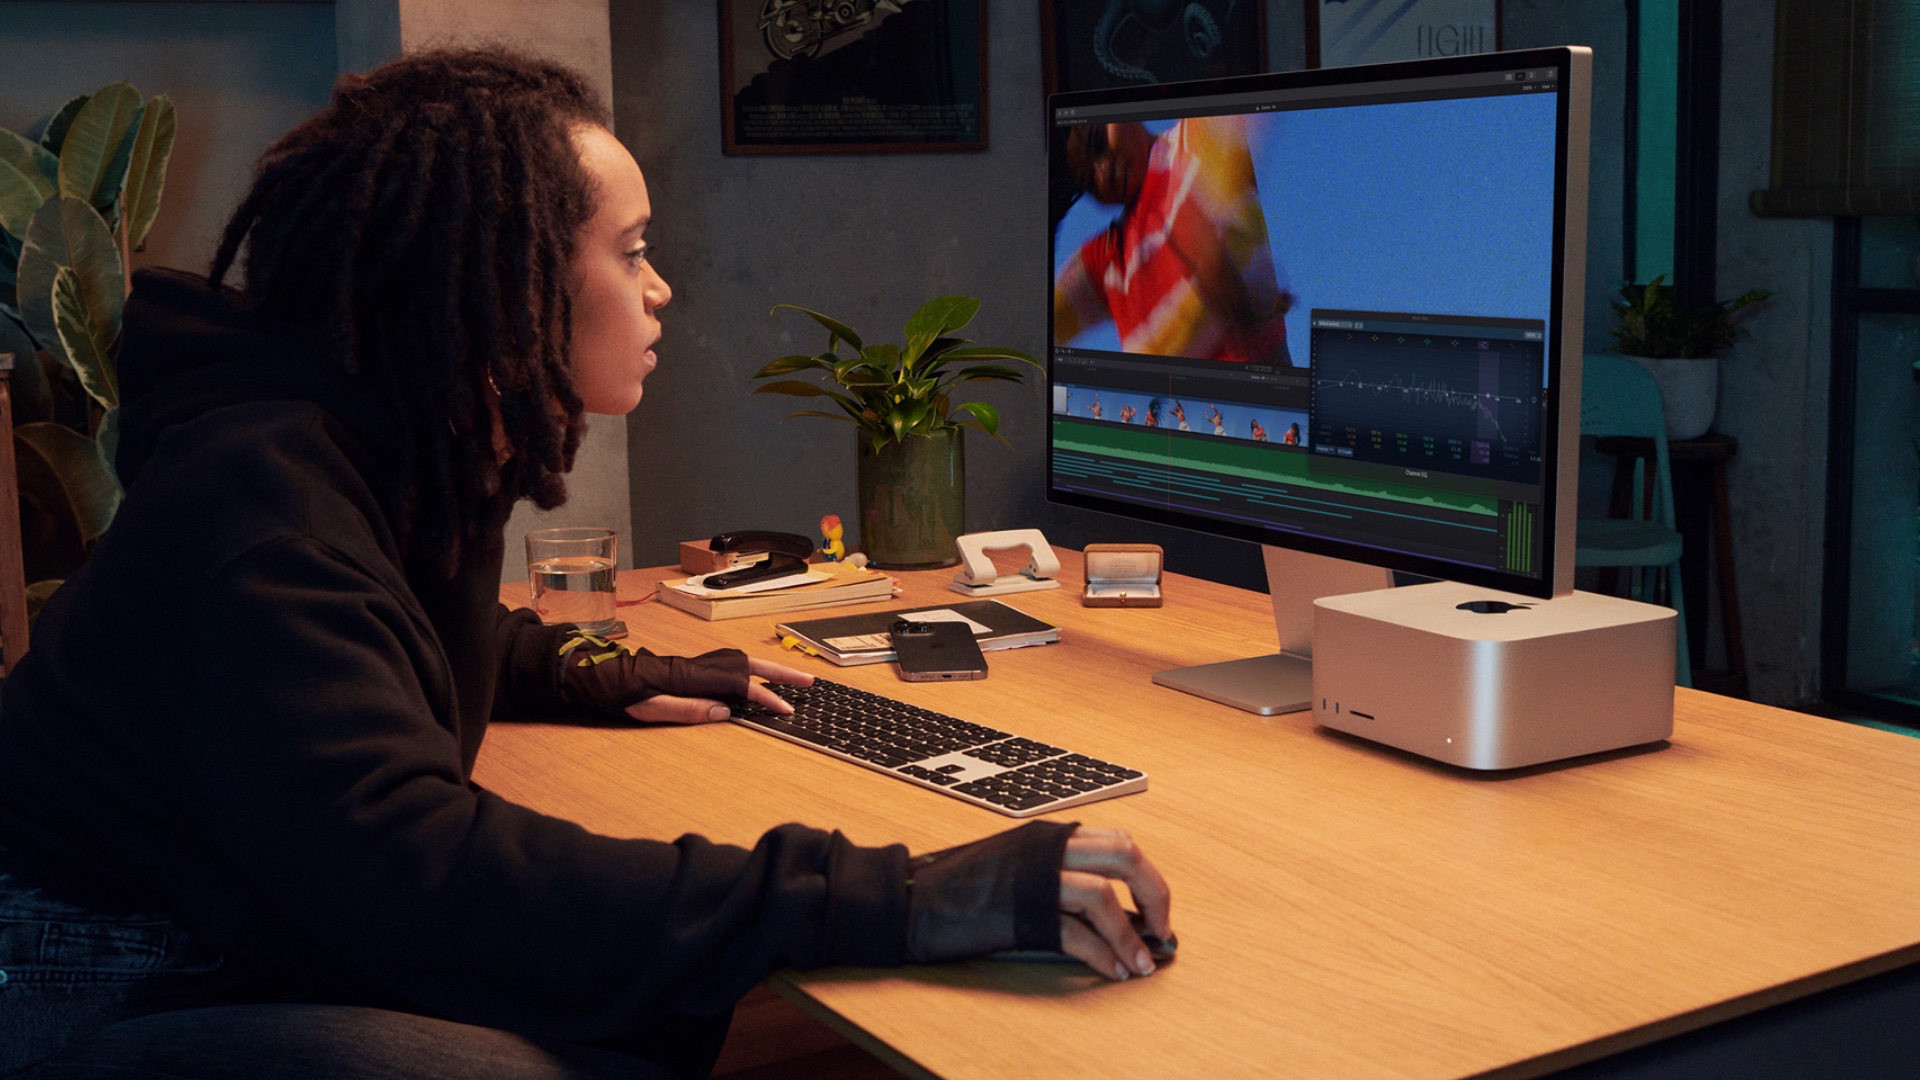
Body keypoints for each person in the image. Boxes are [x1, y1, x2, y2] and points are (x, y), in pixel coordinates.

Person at [0, 50, 1172, 1080]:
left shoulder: (377, 444)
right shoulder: (261, 508)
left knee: (677, 1013)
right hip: (91, 977)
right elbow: (417, 874)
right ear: (499, 279)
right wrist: (907, 895)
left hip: (222, 912)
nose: (660, 288)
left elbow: (367, 637)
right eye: (631, 252)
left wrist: (574, 667)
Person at [1052, 116, 1293, 365]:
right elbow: (1034, 325)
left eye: (1100, 143)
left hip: (1264, 398)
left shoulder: (1195, 137)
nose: (1103, 173)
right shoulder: (1106, 264)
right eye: (1089, 184)